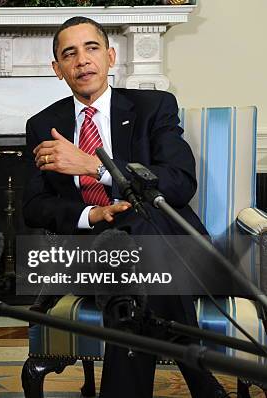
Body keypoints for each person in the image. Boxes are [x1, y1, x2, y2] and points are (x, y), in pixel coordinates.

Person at [23, 16, 226, 397]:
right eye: (70, 54)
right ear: (58, 69)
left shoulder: (154, 107)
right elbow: (33, 206)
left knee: (138, 239)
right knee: (134, 245)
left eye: (92, 48)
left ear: (111, 56)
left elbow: (180, 181)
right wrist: (91, 215)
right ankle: (200, 379)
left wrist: (94, 168)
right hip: (88, 253)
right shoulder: (42, 125)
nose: (82, 60)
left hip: (160, 245)